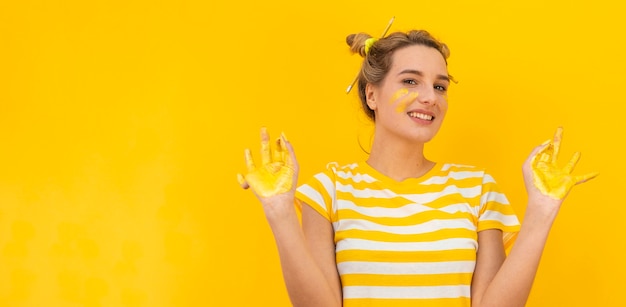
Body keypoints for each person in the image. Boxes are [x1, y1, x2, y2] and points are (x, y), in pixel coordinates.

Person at [237, 29, 597, 307]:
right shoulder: (328, 190)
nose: (430, 97)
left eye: (440, 86)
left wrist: (542, 210)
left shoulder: (477, 188)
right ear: (371, 95)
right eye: (410, 81)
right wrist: (279, 212)